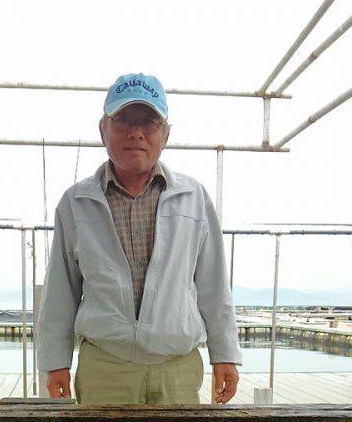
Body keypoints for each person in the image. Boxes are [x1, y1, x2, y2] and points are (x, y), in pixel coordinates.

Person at [38, 73, 241, 405]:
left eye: (148, 122)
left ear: (165, 134)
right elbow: (61, 288)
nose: (136, 133)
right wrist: (55, 362)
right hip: (104, 367)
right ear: (103, 129)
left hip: (177, 365)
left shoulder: (194, 197)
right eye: (123, 121)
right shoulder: (75, 202)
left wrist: (225, 353)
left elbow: (214, 284)